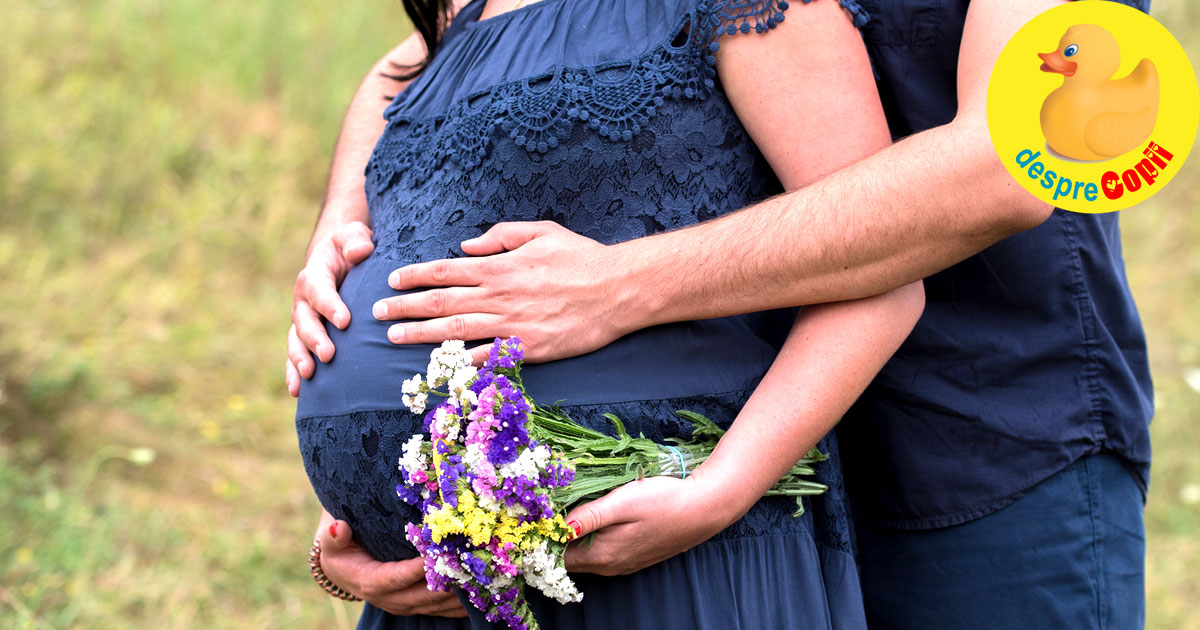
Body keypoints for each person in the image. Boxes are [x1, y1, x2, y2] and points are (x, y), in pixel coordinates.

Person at [291, 0, 1155, 628]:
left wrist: (622, 284)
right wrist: (355, 210)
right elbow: (446, 42)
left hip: (978, 440)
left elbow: (1013, 163)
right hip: (738, 417)